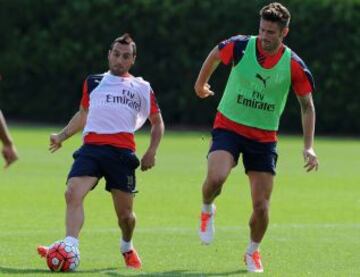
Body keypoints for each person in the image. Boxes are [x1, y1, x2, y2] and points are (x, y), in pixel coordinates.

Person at [194, 2, 318, 273]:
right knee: (215, 179)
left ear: (284, 32)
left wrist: (308, 147)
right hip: (228, 126)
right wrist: (200, 83)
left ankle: (252, 252)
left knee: (261, 207)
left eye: (271, 32)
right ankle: (207, 208)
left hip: (263, 139)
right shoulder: (240, 46)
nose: (264, 36)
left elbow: (307, 105)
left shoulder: (294, 65)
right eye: (262, 29)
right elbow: (216, 54)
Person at [37, 33, 164, 270]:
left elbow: (157, 122)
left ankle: (127, 245)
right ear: (109, 55)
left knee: (126, 217)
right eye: (116, 54)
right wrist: (62, 136)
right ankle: (70, 246)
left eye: (125, 56)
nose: (119, 60)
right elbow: (83, 114)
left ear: (132, 60)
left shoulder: (142, 87)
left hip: (122, 153)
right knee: (72, 192)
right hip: (92, 149)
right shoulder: (93, 82)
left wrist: (151, 152)